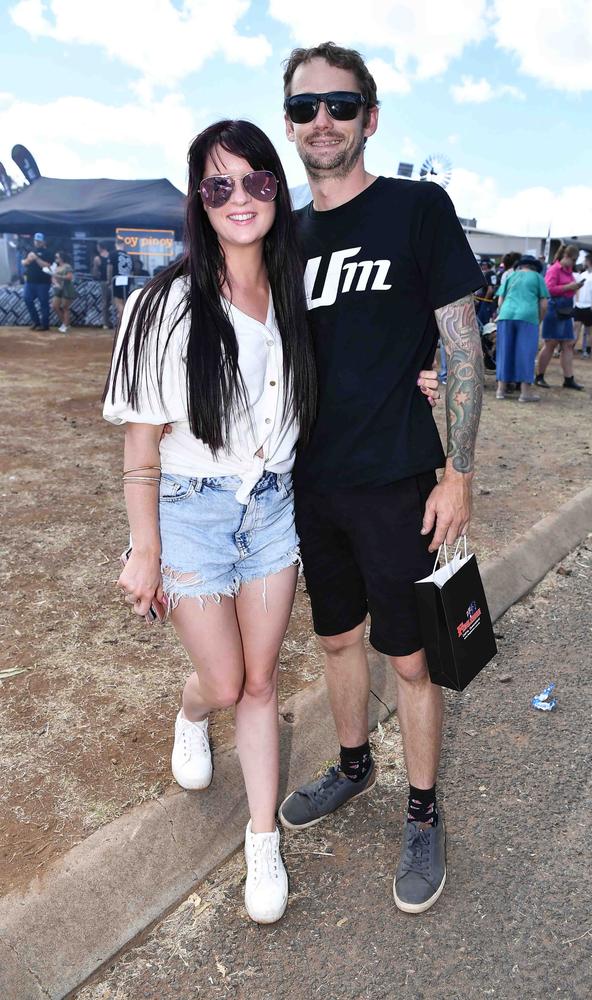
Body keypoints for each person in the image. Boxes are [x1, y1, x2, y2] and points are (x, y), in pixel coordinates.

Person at [278, 41, 484, 915]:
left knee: (409, 656)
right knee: (333, 641)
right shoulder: (282, 234)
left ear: (371, 114)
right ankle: (356, 765)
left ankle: (425, 811)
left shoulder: (416, 210)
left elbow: (463, 346)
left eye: (340, 103)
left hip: (400, 479)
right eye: (304, 107)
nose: (322, 120)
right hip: (307, 484)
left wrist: (460, 472)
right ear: (290, 124)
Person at [103, 119, 317, 925]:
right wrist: (145, 548)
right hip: (192, 511)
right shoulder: (161, 303)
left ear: (277, 189)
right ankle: (193, 711)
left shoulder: (294, 291)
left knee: (261, 683)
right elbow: (141, 439)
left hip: (272, 508)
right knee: (225, 682)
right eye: (219, 184)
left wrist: (426, 380)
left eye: (255, 180)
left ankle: (263, 838)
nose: (239, 198)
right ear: (200, 198)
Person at [494, 254, 548, 401]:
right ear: (535, 267)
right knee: (526, 353)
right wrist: (539, 320)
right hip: (528, 316)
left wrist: (505, 311)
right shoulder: (537, 278)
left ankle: (501, 390)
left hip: (506, 315)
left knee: (504, 352)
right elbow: (543, 304)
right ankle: (525, 393)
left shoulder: (511, 276)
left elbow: (500, 300)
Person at [535, 243, 584, 390]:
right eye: (573, 260)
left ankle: (569, 379)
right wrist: (569, 287)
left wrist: (574, 287)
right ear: (566, 256)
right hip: (554, 309)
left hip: (565, 309)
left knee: (568, 344)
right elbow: (548, 289)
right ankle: (539, 376)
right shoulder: (554, 269)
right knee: (550, 344)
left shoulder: (568, 270)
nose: (574, 264)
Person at [21, 232, 53, 331]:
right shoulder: (30, 251)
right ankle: (36, 321)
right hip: (30, 281)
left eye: (39, 241)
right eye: (36, 240)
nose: (37, 242)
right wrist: (28, 259)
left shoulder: (48, 252)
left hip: (43, 282)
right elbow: (23, 263)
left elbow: (47, 266)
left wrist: (37, 258)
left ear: (43, 241)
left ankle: (45, 325)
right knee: (27, 299)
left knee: (43, 302)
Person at [572, 253, 592, 356]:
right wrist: (577, 301)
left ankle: (587, 350)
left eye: (584, 261)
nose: (583, 263)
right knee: (576, 326)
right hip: (580, 305)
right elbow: (577, 288)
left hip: (589, 306)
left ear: (589, 261)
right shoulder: (583, 274)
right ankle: (571, 347)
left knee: (589, 329)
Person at [108, 235, 133, 326]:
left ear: (116, 244)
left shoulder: (113, 254)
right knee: (123, 301)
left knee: (118, 301)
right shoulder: (128, 255)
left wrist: (109, 280)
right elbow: (132, 270)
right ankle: (123, 319)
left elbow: (110, 268)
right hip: (127, 279)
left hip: (117, 279)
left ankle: (124, 322)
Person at [51, 251, 75, 332]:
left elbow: (69, 277)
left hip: (67, 288)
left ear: (61, 258)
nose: (56, 259)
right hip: (58, 289)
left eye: (57, 257)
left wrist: (57, 276)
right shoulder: (55, 267)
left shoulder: (67, 266)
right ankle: (65, 323)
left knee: (65, 307)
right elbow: (53, 278)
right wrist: (55, 283)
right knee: (55, 306)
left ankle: (65, 324)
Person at [92, 242, 112, 328]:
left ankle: (105, 323)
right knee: (112, 303)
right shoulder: (111, 255)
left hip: (104, 281)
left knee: (105, 303)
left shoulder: (97, 258)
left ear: (100, 247)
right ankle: (108, 322)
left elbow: (95, 272)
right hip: (113, 281)